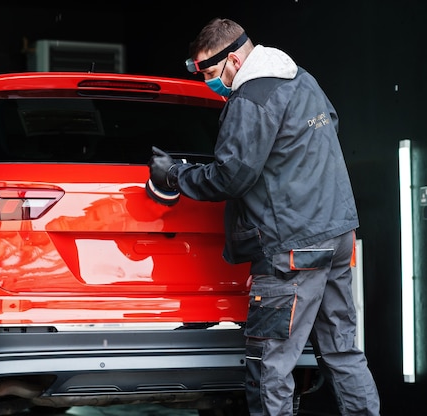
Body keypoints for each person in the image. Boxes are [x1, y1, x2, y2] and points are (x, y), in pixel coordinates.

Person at [148, 17, 380, 416]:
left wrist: (175, 174)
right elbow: (327, 130)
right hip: (338, 235)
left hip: (293, 249)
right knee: (343, 351)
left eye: (210, 72)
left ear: (234, 60)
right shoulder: (302, 80)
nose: (209, 82)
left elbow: (229, 176)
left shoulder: (251, 98)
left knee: (270, 365)